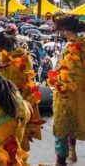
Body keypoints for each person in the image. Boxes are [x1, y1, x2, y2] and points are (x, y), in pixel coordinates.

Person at [0, 31, 43, 151]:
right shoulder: (25, 56)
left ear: (0, 48)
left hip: (12, 105)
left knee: (12, 140)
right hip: (26, 102)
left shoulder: (4, 65)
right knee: (22, 135)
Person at [47, 13, 85, 166]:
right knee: (73, 122)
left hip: (67, 95)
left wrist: (55, 79)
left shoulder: (72, 48)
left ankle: (60, 162)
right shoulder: (82, 44)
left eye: (61, 30)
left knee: (61, 127)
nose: (60, 34)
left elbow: (71, 77)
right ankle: (72, 152)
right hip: (80, 95)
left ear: (66, 30)